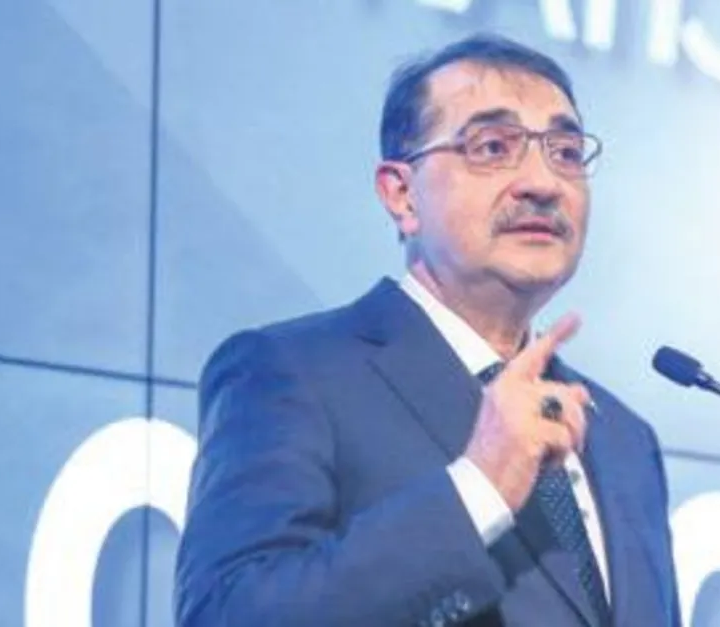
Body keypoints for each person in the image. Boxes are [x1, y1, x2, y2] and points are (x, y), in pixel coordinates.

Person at [173, 32, 681, 627]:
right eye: (493, 147)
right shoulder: (291, 373)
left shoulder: (624, 439)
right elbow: (228, 613)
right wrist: (478, 488)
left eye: (566, 152)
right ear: (402, 195)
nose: (544, 183)